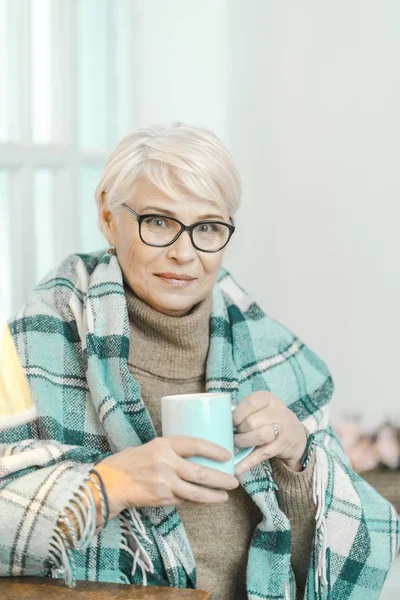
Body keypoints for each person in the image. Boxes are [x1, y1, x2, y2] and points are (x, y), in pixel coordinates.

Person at [0, 123, 397, 600]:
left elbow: (364, 553)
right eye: (159, 222)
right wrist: (109, 484)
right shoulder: (34, 344)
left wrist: (302, 462)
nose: (184, 253)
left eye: (207, 227)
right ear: (108, 214)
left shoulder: (274, 353)